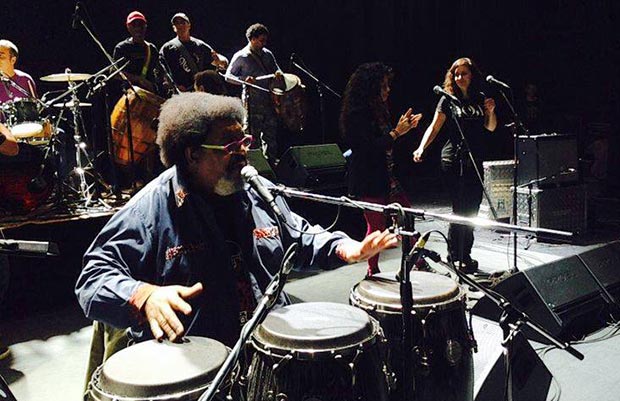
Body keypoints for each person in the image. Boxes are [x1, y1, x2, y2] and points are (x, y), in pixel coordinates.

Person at [75, 92, 396, 348]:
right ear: (192, 154)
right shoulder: (150, 209)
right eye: (230, 146)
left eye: (245, 143)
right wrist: (144, 296)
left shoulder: (256, 189)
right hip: (198, 364)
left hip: (269, 349)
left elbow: (299, 236)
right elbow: (93, 277)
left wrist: (347, 248)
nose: (243, 154)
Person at [413, 57, 497, 273]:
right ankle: (455, 255)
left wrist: (490, 112)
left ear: (472, 75)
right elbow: (435, 126)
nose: (460, 77)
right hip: (453, 158)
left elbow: (490, 128)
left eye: (464, 73)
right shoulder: (447, 98)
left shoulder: (480, 98)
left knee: (473, 209)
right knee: (460, 208)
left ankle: (465, 254)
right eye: (456, 74)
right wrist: (421, 147)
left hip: (475, 159)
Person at [340, 62, 422, 276]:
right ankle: (372, 270)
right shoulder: (356, 114)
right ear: (371, 88)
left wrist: (403, 130)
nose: (388, 90)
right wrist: (396, 133)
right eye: (384, 86)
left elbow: (387, 144)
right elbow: (367, 148)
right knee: (376, 226)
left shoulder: (378, 110)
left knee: (407, 217)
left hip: (386, 176)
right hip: (368, 179)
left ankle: (418, 262)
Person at [226, 23, 282, 165]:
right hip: (252, 103)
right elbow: (228, 76)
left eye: (265, 40)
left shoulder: (268, 54)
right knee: (252, 137)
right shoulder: (241, 56)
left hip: (268, 101)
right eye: (261, 40)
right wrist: (244, 80)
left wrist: (278, 75)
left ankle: (271, 165)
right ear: (252, 39)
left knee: (271, 136)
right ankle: (254, 166)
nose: (264, 43)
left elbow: (277, 70)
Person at [159, 13, 228, 93]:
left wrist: (220, 61)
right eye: (177, 23)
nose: (180, 25)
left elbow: (221, 61)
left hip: (200, 91)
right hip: (180, 92)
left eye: (183, 23)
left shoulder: (200, 45)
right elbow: (161, 70)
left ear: (189, 25)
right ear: (173, 28)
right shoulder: (167, 48)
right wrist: (174, 86)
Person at [112, 11, 161, 94]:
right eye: (134, 25)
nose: (138, 28)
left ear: (145, 26)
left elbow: (159, 70)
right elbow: (115, 73)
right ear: (128, 27)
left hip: (149, 93)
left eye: (141, 25)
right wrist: (138, 79)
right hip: (129, 94)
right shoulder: (122, 48)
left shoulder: (151, 48)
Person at [0, 39, 37, 112]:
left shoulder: (25, 79)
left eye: (1, 56)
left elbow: (35, 107)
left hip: (24, 122)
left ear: (13, 60)